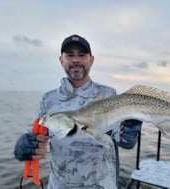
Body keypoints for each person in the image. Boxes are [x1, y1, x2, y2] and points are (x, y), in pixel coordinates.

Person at [14, 34, 142, 189]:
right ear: (61, 60)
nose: (76, 60)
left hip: (103, 184)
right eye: (69, 55)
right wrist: (24, 146)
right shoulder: (48, 99)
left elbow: (121, 138)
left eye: (82, 55)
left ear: (91, 60)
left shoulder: (108, 94)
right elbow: (34, 134)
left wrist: (129, 135)